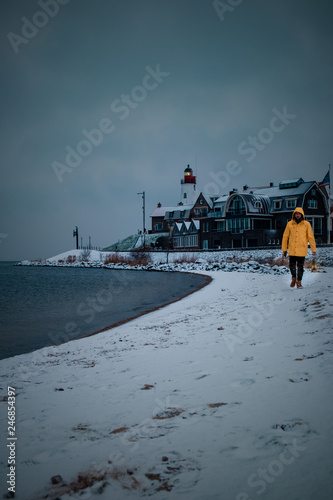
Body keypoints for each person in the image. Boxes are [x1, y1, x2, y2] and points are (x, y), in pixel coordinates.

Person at [281, 207, 316, 288]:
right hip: (292, 248)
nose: (297, 215)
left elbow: (310, 237)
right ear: (294, 215)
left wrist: (313, 249)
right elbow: (285, 237)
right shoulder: (290, 224)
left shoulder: (307, 224)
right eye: (296, 214)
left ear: (302, 215)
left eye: (299, 214)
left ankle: (299, 281)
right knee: (291, 265)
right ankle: (293, 277)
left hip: (302, 249)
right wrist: (284, 249)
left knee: (300, 266)